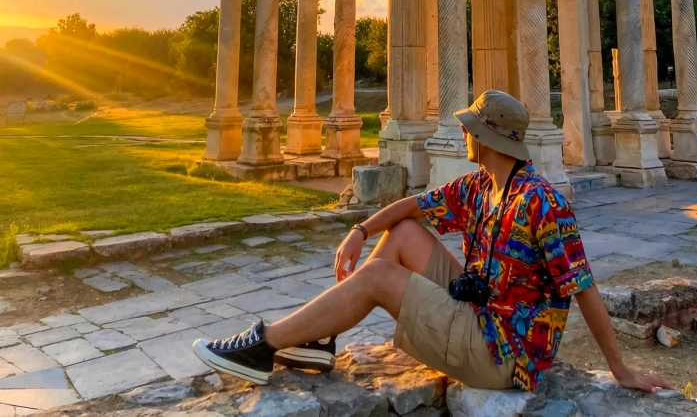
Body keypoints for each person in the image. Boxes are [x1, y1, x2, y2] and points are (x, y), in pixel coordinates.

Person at [193, 90, 671, 393]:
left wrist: (620, 368)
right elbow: (409, 210)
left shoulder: (542, 203)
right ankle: (319, 339)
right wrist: (360, 231)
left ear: (486, 137)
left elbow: (582, 286)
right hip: (480, 309)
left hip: (501, 353)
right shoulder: (481, 185)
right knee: (401, 234)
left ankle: (261, 347)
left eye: (470, 128)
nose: (463, 132)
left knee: (380, 276)